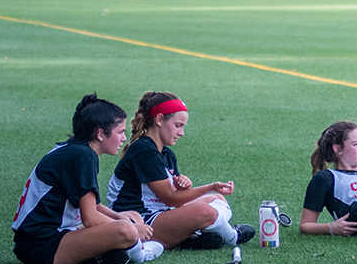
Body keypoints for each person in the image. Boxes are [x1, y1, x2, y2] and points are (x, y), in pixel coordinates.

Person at [12, 94, 161, 264]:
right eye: (120, 132)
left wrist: (120, 217)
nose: (123, 138)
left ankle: (101, 255)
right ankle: (140, 252)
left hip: (51, 236)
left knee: (132, 216)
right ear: (100, 134)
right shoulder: (83, 156)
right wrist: (132, 229)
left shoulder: (75, 150)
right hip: (42, 246)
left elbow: (94, 206)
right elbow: (90, 218)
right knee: (125, 230)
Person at [107, 91, 254, 251]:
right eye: (178, 126)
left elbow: (177, 200)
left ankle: (190, 236)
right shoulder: (144, 150)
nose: (181, 133)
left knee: (217, 199)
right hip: (138, 221)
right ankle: (232, 236)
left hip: (160, 213)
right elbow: (170, 199)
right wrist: (209, 187)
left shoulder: (166, 153)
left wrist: (182, 187)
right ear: (159, 119)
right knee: (205, 212)